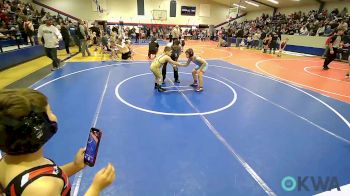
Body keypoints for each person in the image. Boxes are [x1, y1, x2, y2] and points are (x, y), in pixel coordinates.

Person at [0, 89, 116, 196]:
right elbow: (44, 181)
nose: (54, 115)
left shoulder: (6, 162)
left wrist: (75, 166)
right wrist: (96, 188)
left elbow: (47, 173)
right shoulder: (43, 189)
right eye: (50, 111)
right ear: (39, 129)